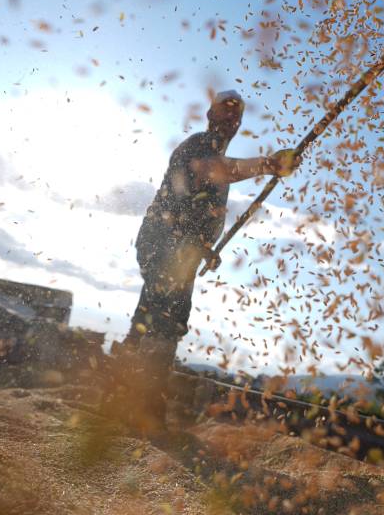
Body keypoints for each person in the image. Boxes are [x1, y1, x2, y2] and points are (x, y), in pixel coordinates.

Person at [111, 90, 296, 430]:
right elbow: (210, 171)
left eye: (237, 116)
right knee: (169, 319)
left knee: (149, 316)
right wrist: (268, 164)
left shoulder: (217, 156)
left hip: (183, 249)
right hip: (164, 243)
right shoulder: (198, 145)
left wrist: (207, 249)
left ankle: (116, 395)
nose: (231, 121)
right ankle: (144, 411)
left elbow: (199, 211)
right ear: (210, 116)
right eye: (225, 114)